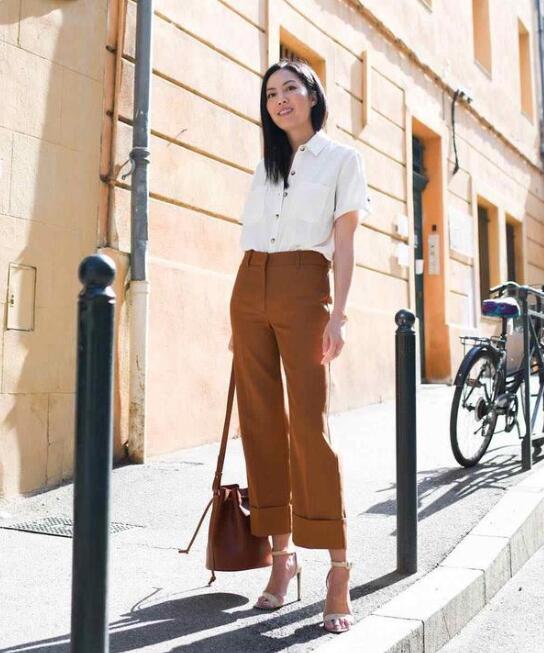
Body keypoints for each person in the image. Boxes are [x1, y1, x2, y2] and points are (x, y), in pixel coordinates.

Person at [228, 58, 371, 634]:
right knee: (259, 424)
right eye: (271, 93)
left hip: (306, 284)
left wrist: (339, 315)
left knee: (309, 426)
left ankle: (338, 567)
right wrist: (243, 311)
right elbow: (253, 235)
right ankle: (281, 558)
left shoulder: (341, 159)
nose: (280, 99)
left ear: (313, 95)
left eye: (290, 88)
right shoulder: (264, 163)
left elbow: (345, 242)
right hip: (249, 286)